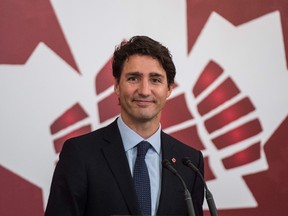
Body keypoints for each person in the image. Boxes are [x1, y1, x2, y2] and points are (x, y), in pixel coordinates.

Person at [45, 35, 204, 216]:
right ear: (117, 87)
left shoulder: (189, 162)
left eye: (155, 79)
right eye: (133, 78)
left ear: (168, 89)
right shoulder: (80, 154)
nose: (144, 91)